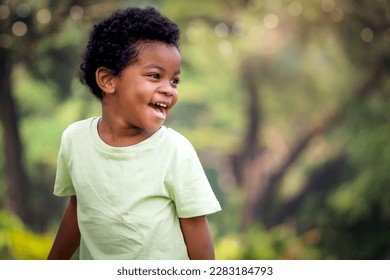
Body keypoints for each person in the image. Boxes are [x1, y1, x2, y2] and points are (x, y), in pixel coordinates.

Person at [47, 6, 221, 260]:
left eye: (174, 80)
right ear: (107, 80)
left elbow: (196, 230)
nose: (169, 90)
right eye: (155, 76)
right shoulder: (75, 140)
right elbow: (77, 208)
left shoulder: (175, 151)